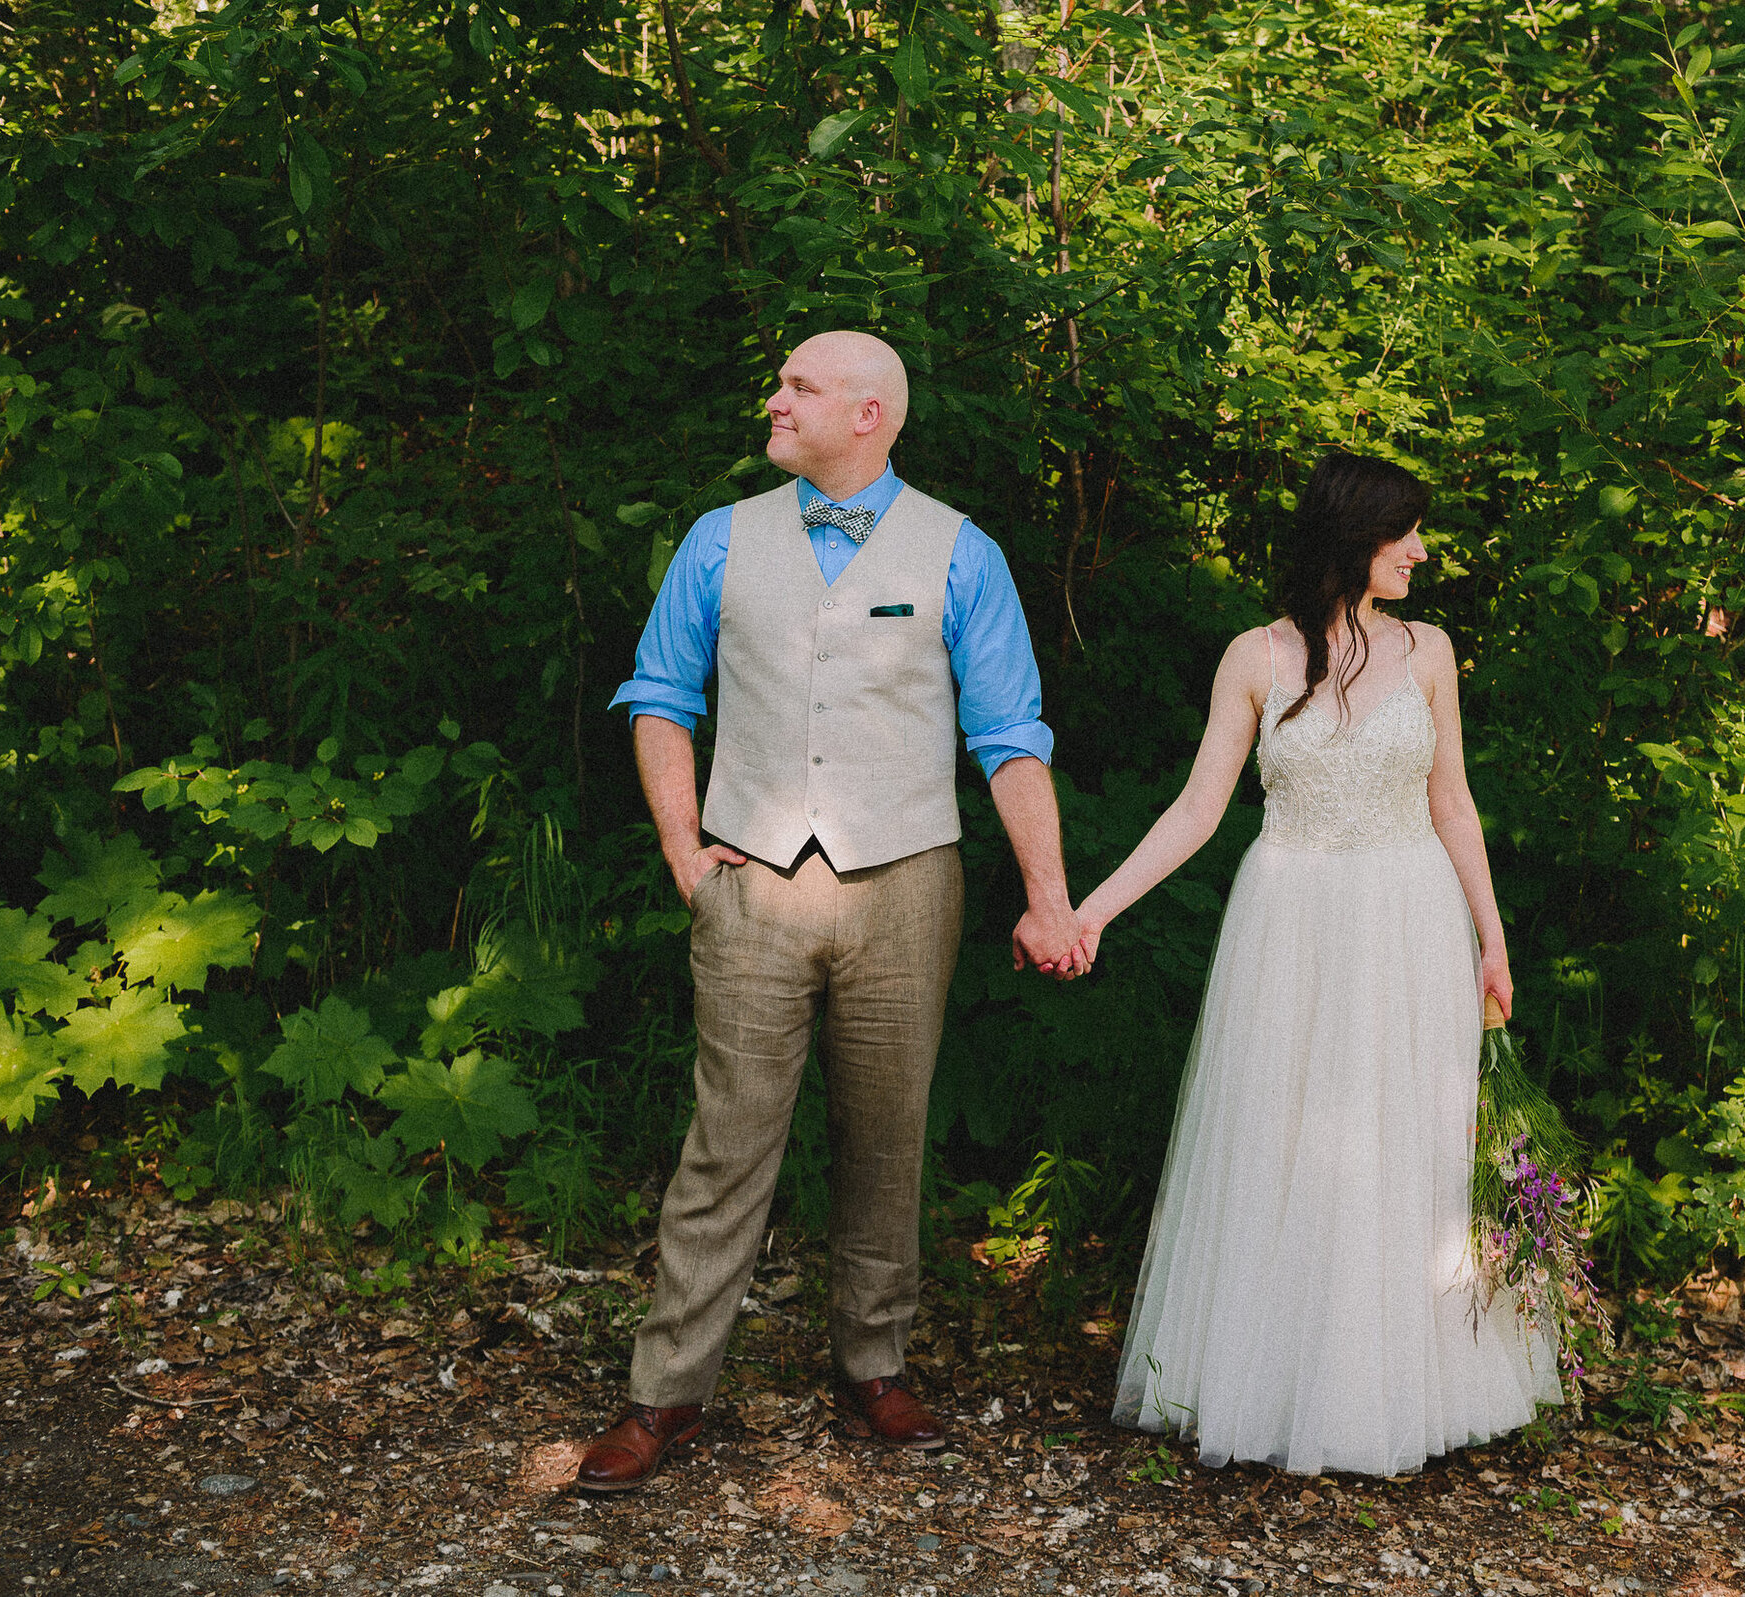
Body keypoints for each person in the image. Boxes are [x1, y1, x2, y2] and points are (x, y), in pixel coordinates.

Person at [579, 330, 1086, 1492]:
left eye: (798, 385)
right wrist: (680, 852)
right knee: (725, 1144)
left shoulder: (963, 552)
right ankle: (665, 1394)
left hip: (908, 878)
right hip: (750, 877)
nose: (774, 397)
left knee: (887, 1135)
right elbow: (660, 695)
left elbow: (1009, 738)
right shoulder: (720, 539)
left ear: (867, 413)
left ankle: (872, 1360)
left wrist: (1047, 898)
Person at [1075, 453, 1560, 1475]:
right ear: (1355, 537)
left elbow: (1451, 800)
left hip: (1407, 912)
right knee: (1282, 1133)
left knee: (1402, 1138)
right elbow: (1199, 810)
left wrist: (1492, 934)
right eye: (1407, 534)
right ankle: (1271, 1378)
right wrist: (1097, 908)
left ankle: (1394, 1383)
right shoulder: (1252, 656)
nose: (1423, 552)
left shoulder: (1429, 650)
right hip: (1288, 917)